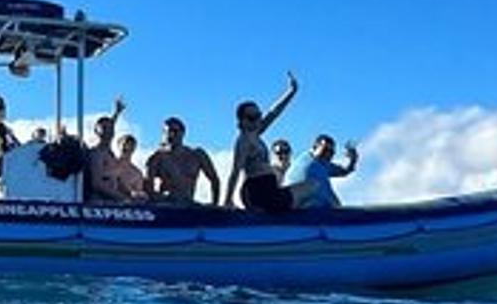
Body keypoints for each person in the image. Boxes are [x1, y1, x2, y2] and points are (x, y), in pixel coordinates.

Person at [224, 71, 300, 213]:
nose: (257, 120)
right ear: (242, 120)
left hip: (267, 188)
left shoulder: (255, 134)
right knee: (310, 187)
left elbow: (274, 112)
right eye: (252, 117)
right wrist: (227, 199)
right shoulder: (244, 141)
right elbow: (235, 170)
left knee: (309, 187)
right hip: (258, 190)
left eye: (258, 116)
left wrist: (291, 91)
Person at [145, 116, 221, 205]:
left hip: (188, 204)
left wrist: (214, 204)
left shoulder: (197, 155)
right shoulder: (157, 158)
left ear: (182, 133)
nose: (171, 135)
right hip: (167, 206)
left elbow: (214, 180)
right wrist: (159, 199)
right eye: (167, 132)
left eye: (174, 131)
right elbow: (148, 187)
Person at [86, 97, 144, 202]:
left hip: (112, 201)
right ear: (96, 131)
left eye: (110, 129)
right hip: (100, 203)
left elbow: (117, 180)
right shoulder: (97, 154)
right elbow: (97, 184)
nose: (108, 131)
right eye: (104, 129)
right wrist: (122, 198)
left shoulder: (110, 155)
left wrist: (116, 113)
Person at [289, 134, 359, 209]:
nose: (328, 154)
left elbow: (344, 171)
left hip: (328, 211)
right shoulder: (304, 163)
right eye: (325, 150)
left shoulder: (322, 163)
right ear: (315, 147)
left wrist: (353, 160)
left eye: (331, 152)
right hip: (309, 211)